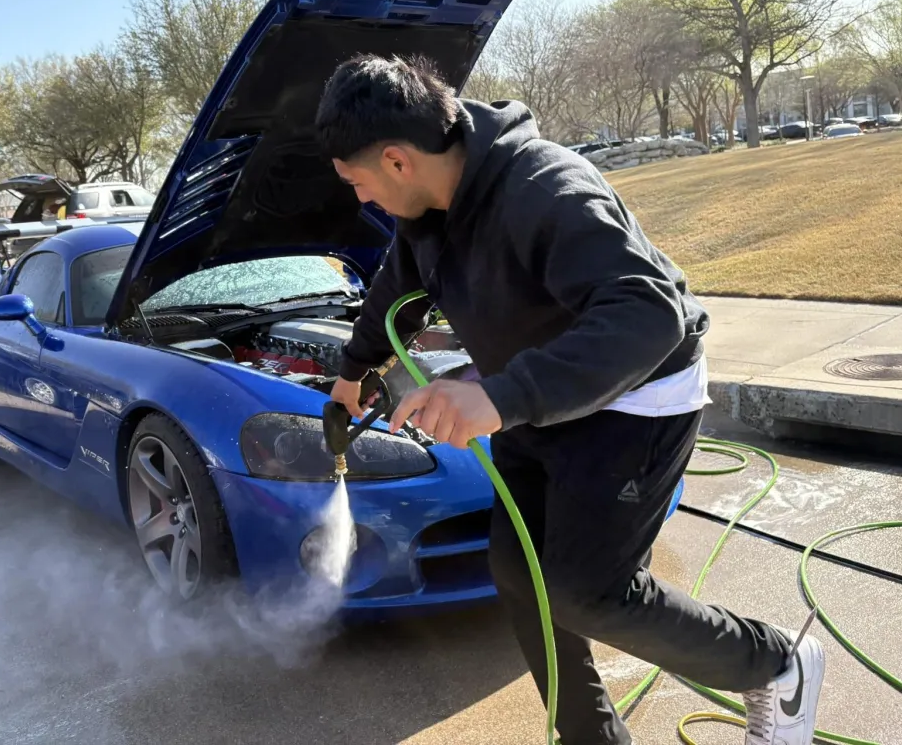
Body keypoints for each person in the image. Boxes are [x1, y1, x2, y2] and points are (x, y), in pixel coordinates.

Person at [315, 54, 824, 745]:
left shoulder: (544, 187)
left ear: (399, 160)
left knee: (589, 593)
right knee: (520, 573)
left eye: (358, 182)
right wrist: (354, 371)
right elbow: (395, 285)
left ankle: (777, 666)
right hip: (540, 397)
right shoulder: (428, 208)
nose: (359, 200)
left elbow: (647, 314)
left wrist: (500, 396)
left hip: (635, 398)